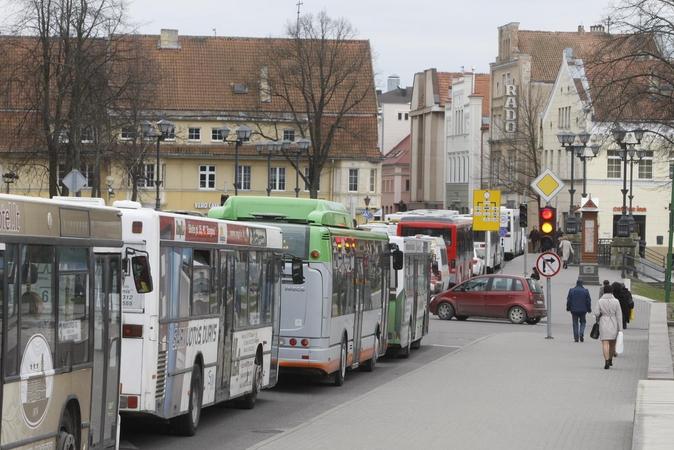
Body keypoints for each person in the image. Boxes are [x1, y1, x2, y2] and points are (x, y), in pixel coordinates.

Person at [593, 284, 623, 370]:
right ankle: (610, 359)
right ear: (612, 292)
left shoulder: (600, 301)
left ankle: (606, 361)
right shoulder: (616, 301)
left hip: (604, 322)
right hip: (614, 322)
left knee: (604, 343)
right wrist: (620, 329)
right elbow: (619, 315)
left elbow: (596, 313)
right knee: (612, 343)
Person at [566, 278, 592, 342]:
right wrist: (589, 309)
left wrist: (568, 308)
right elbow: (588, 301)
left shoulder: (571, 290)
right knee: (583, 322)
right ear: (582, 284)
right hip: (583, 310)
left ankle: (576, 338)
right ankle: (581, 332)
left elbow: (569, 300)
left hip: (574, 310)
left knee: (575, 324)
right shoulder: (586, 291)